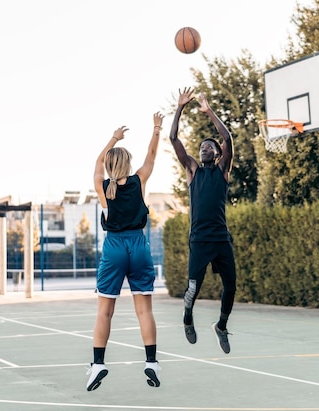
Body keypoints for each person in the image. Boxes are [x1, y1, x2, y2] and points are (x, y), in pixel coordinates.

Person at [86, 111, 165, 391]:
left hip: (115, 248)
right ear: (129, 164)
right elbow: (152, 155)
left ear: (108, 166)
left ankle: (98, 364)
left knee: (104, 311)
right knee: (144, 311)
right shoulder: (139, 181)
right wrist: (156, 127)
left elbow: (97, 163)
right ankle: (151, 362)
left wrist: (113, 138)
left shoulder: (103, 187)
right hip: (139, 246)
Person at [169, 87, 236, 354]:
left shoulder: (222, 171)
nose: (204, 148)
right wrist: (180, 107)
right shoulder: (192, 170)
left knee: (230, 286)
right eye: (201, 147)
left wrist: (208, 111)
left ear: (217, 153)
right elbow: (173, 137)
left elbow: (228, 137)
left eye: (209, 146)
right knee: (192, 289)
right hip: (199, 240)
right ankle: (187, 317)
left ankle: (221, 325)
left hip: (221, 239)